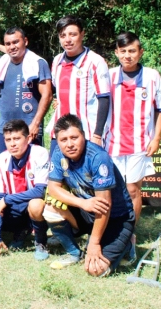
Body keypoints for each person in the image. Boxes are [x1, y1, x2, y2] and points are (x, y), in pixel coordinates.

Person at [44, 114, 135, 277]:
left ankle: (127, 244)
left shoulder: (98, 157)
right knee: (50, 208)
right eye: (63, 140)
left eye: (74, 137)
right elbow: (53, 188)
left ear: (83, 136)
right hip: (88, 212)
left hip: (116, 218)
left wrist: (94, 243)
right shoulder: (58, 154)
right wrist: (82, 203)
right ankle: (74, 252)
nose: (69, 144)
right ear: (57, 141)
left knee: (95, 270)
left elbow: (103, 206)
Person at [106, 32, 161, 260]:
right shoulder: (109, 76)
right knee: (111, 191)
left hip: (140, 144)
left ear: (140, 52)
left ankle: (130, 234)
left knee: (132, 190)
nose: (127, 55)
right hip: (111, 144)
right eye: (123, 51)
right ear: (116, 53)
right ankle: (111, 233)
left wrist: (156, 138)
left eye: (132, 51)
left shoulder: (152, 76)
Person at [0, 120, 50, 260]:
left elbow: (40, 191)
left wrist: (8, 199)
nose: (12, 144)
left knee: (36, 204)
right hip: (11, 207)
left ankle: (41, 241)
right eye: (8, 140)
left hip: (31, 205)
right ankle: (19, 231)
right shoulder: (0, 159)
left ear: (28, 138)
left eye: (17, 138)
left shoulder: (40, 153)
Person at [0, 27, 52, 153]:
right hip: (4, 129)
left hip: (29, 129)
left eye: (16, 42)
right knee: (3, 167)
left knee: (31, 168)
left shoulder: (38, 63)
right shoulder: (1, 64)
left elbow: (47, 95)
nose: (12, 47)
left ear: (25, 41)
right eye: (8, 44)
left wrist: (35, 124)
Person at [48, 16, 111, 149]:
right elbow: (58, 91)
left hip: (86, 133)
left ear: (82, 34)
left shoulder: (95, 62)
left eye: (73, 34)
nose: (68, 40)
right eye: (63, 35)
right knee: (57, 169)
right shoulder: (57, 61)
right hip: (60, 132)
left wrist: (98, 134)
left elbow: (104, 98)